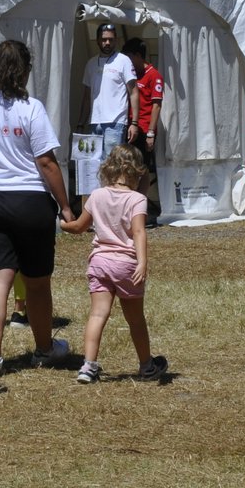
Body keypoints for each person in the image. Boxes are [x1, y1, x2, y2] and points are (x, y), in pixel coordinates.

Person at [0, 39, 76, 377]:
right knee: (37, 283)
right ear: (25, 71)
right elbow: (46, 162)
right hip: (30, 203)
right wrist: (66, 207)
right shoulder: (32, 108)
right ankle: (44, 348)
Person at [59, 145, 167, 384]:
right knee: (135, 320)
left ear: (109, 168)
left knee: (97, 314)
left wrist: (62, 225)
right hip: (126, 265)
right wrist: (142, 262)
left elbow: (79, 227)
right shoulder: (137, 199)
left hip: (99, 262)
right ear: (138, 172)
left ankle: (88, 366)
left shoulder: (97, 195)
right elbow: (139, 231)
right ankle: (147, 366)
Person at [121, 37, 163, 227]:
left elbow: (156, 106)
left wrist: (151, 133)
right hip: (128, 126)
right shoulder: (130, 74)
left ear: (138, 56)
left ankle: (140, 208)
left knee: (143, 169)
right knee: (127, 166)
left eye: (129, 57)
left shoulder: (153, 75)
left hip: (145, 128)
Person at [79, 23, 139, 152]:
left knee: (112, 165)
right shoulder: (91, 63)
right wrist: (80, 123)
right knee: (94, 164)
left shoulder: (124, 60)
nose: (107, 43)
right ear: (97, 41)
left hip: (115, 123)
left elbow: (134, 92)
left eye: (111, 40)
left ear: (116, 41)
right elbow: (86, 97)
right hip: (94, 123)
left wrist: (134, 123)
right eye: (104, 39)